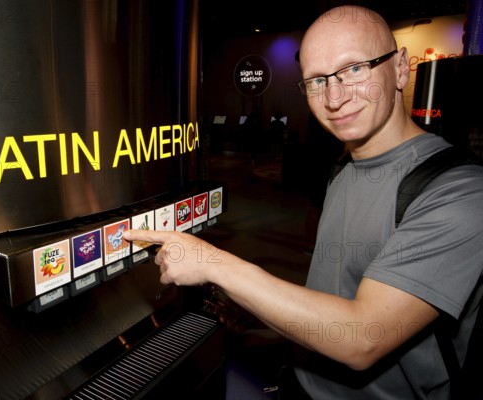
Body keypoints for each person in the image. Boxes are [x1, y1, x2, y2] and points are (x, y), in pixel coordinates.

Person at [124, 5, 483, 399]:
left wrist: (212, 263)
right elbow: (338, 298)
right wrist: (258, 317)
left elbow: (362, 337)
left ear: (400, 68)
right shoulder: (345, 167)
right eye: (316, 80)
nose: (335, 96)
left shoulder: (461, 191)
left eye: (355, 69)